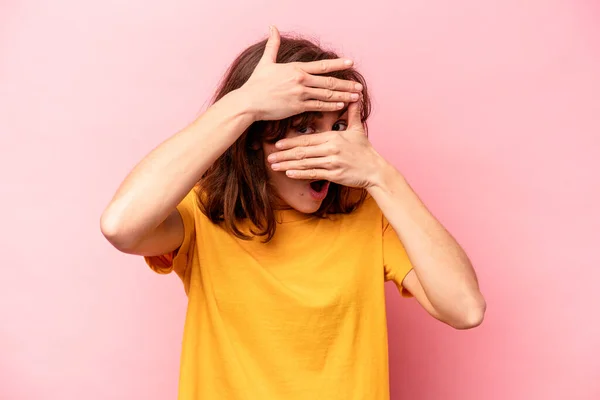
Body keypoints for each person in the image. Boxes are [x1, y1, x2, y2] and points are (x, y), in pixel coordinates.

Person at [101, 26, 486, 400]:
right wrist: (244, 104)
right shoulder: (203, 214)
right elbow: (121, 226)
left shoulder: (371, 216)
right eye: (304, 128)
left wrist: (380, 175)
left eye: (337, 127)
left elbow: (465, 308)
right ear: (253, 139)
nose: (327, 149)